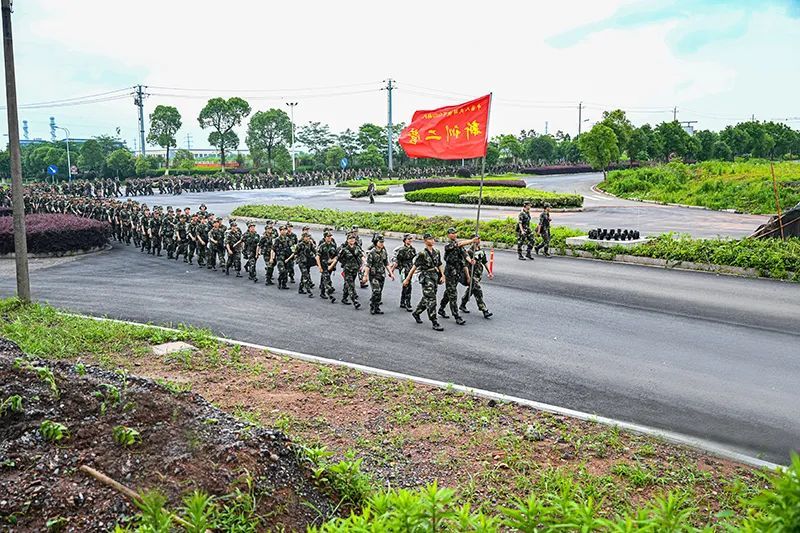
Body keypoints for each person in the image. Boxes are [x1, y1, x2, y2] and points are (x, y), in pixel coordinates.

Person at [404, 232, 445, 331]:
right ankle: (434, 321)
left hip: (434, 277)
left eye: (433, 239)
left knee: (427, 298)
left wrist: (443, 275)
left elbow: (439, 264)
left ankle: (416, 312)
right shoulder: (422, 254)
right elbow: (414, 267)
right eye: (430, 239)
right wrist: (407, 279)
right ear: (425, 241)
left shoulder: (437, 251)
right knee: (432, 299)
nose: (432, 241)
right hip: (426, 278)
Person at [438, 227, 476, 326]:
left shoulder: (459, 244)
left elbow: (464, 253)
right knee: (453, 295)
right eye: (452, 233)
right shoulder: (448, 244)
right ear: (448, 235)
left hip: (458, 272)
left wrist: (469, 261)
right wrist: (471, 240)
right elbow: (458, 244)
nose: (454, 234)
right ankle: (457, 316)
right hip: (450, 272)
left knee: (449, 292)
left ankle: (441, 309)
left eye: (455, 233)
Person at [460, 234, 494, 319]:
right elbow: (466, 266)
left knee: (471, 290)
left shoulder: (481, 250)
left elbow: (484, 261)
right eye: (477, 239)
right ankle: (484, 310)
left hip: (479, 273)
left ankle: (463, 304)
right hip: (472, 274)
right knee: (478, 291)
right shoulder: (470, 252)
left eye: (479, 239)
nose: (478, 241)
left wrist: (489, 272)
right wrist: (468, 277)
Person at [363, 235, 394, 314]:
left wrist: (391, 273)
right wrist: (365, 276)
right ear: (376, 242)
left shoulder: (383, 252)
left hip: (381, 274)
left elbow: (386, 263)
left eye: (382, 242)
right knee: (376, 291)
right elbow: (368, 265)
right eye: (380, 242)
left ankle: (377, 308)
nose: (381, 243)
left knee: (379, 292)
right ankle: (372, 306)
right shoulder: (372, 253)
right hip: (373, 275)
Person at [390, 234, 416, 311]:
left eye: (411, 239)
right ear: (404, 240)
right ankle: (408, 304)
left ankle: (402, 302)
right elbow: (397, 261)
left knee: (405, 286)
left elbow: (414, 260)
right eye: (408, 239)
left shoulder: (413, 249)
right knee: (408, 286)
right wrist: (392, 271)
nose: (410, 240)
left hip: (410, 269)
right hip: (404, 269)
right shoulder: (401, 250)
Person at [337, 233, 363, 310]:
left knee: (348, 284)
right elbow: (339, 258)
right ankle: (354, 301)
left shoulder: (357, 248)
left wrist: (363, 264)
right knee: (351, 285)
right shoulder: (344, 250)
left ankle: (344, 298)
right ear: (347, 240)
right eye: (350, 239)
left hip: (355, 269)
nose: (352, 240)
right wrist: (345, 264)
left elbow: (361, 256)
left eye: (353, 239)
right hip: (347, 270)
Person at [316, 231, 338, 303]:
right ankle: (331, 296)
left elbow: (337, 255)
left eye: (330, 236)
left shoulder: (333, 245)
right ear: (325, 238)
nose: (329, 238)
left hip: (330, 266)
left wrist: (333, 261)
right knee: (327, 279)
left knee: (324, 278)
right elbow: (317, 257)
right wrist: (319, 267)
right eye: (328, 237)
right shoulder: (322, 246)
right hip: (324, 265)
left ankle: (322, 292)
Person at [293, 232, 317, 296]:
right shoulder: (300, 244)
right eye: (307, 237)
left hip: (308, 262)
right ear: (303, 237)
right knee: (306, 275)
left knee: (304, 275)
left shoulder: (310, 244)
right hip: (301, 262)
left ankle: (300, 289)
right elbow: (295, 253)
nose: (308, 238)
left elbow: (315, 251)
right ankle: (309, 291)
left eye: (309, 237)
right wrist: (298, 258)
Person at [273, 225, 293, 290]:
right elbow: (273, 249)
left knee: (286, 271)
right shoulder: (277, 239)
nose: (284, 231)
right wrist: (272, 258)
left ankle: (284, 284)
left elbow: (292, 248)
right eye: (283, 230)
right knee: (282, 271)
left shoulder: (288, 239)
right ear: (280, 231)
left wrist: (293, 255)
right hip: (279, 258)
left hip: (286, 258)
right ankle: (279, 282)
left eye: (285, 230)